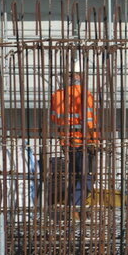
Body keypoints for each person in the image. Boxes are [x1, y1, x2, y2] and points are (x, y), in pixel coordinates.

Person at [49, 68, 101, 206]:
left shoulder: (57, 96)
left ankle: (74, 202)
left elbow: (54, 118)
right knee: (87, 174)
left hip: (67, 141)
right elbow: (90, 121)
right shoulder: (86, 95)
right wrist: (94, 141)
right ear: (79, 76)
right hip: (85, 141)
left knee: (73, 173)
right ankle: (77, 205)